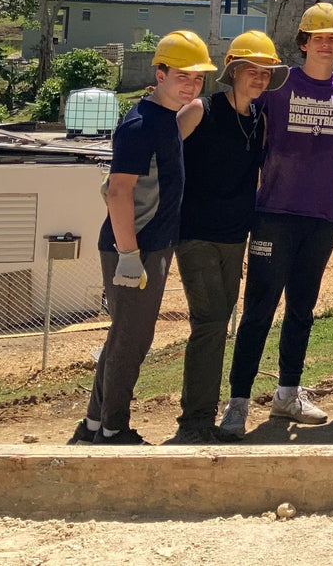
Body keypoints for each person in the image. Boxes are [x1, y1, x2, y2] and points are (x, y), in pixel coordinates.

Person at [71, 32, 214, 445]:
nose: (190, 85)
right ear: (160, 74)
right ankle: (114, 429)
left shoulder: (164, 119)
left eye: (197, 78)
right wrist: (129, 254)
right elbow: (118, 191)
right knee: (132, 341)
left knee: (124, 336)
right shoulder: (140, 125)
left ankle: (94, 423)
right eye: (182, 76)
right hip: (135, 248)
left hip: (150, 245)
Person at [223, 2, 333, 438]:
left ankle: (287, 394)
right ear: (303, 43)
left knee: (302, 310)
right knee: (259, 310)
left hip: (320, 219)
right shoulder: (279, 86)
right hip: (274, 214)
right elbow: (245, 124)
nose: (325, 43)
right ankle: (238, 402)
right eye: (317, 36)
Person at [171, 31, 280, 443]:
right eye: (251, 71)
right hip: (195, 234)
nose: (259, 79)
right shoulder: (201, 109)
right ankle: (195, 422)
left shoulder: (259, 120)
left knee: (217, 322)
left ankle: (203, 417)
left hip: (236, 238)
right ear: (233, 71)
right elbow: (160, 155)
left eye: (266, 73)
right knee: (211, 322)